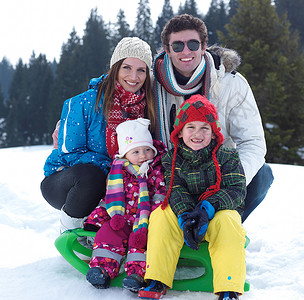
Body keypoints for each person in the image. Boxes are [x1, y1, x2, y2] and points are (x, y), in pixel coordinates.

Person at [152, 14, 273, 222]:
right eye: (178, 46)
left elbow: (253, 142)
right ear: (167, 49)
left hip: (217, 172)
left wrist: (227, 184)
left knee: (263, 175)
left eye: (193, 44)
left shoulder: (231, 84)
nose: (186, 51)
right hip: (172, 172)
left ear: (204, 45)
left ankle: (219, 224)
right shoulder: (153, 83)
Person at [40, 37, 155, 236]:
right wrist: (117, 167)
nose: (134, 76)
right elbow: (70, 154)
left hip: (119, 183)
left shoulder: (147, 109)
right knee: (92, 175)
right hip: (67, 181)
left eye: (141, 70)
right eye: (126, 67)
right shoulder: (83, 103)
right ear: (115, 68)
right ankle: (71, 232)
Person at [139, 95, 247, 300]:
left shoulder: (228, 156)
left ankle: (229, 286)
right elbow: (175, 188)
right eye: (191, 127)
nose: (197, 134)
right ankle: (157, 278)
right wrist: (185, 214)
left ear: (214, 133)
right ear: (180, 132)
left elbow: (236, 190)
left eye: (205, 128)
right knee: (161, 216)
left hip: (215, 214)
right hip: (187, 214)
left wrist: (208, 208)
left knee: (229, 221)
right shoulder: (171, 158)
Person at [84, 118, 167, 291]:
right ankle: (102, 269)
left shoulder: (156, 171)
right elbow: (110, 199)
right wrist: (96, 219)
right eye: (135, 152)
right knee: (108, 233)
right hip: (122, 218)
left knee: (142, 242)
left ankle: (137, 275)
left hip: (145, 220)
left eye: (147, 150)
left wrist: (153, 217)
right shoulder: (119, 172)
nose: (143, 156)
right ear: (125, 154)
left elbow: (160, 194)